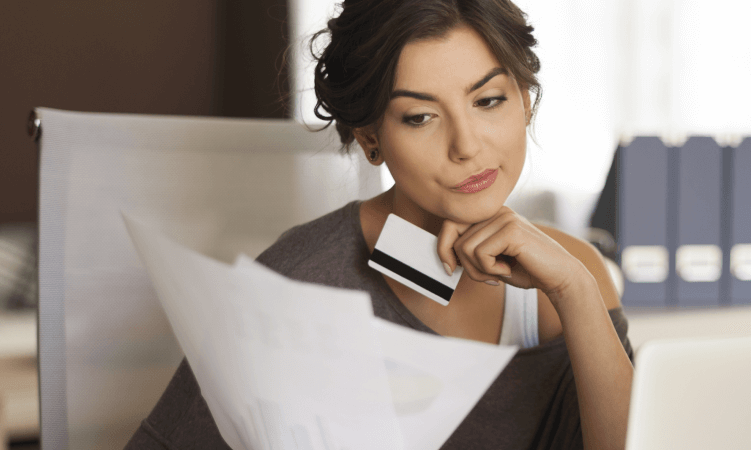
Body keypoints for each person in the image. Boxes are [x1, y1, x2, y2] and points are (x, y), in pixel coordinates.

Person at [125, 0, 633, 449]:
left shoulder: (572, 273)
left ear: (525, 101)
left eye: (488, 100)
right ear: (371, 139)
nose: (467, 145)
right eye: (419, 117)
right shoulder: (299, 278)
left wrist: (575, 290)